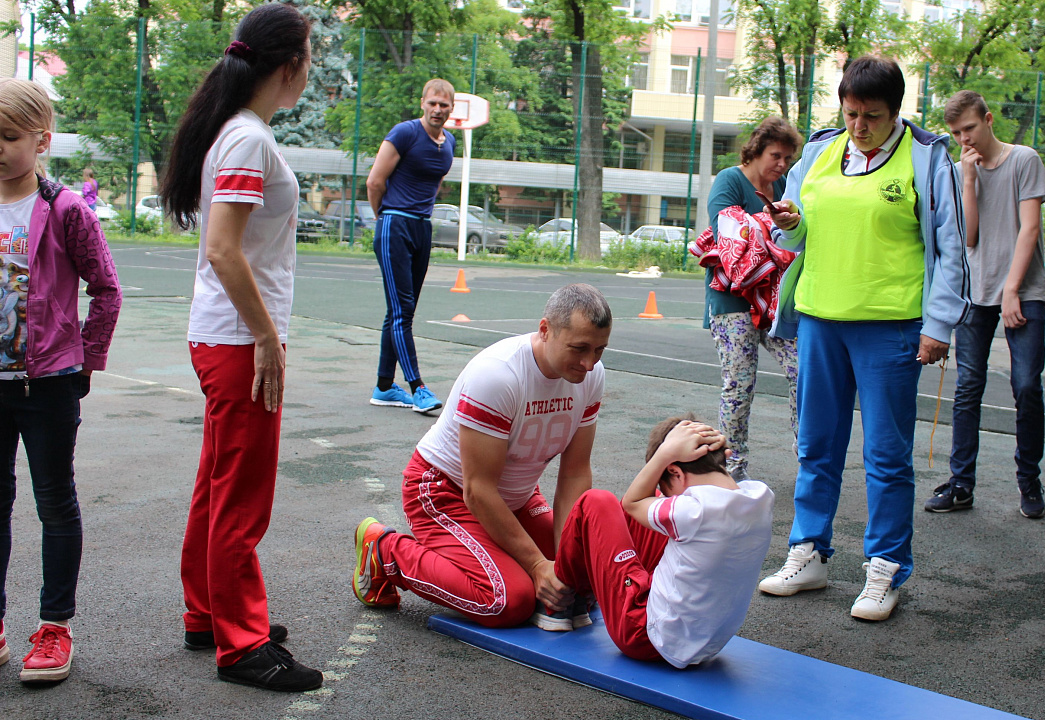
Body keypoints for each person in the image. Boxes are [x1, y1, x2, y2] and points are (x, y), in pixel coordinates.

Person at [755, 56, 969, 621]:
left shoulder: (928, 157)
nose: (859, 126)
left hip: (890, 325)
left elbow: (952, 246)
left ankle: (886, 567)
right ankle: (808, 551)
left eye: (871, 116)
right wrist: (790, 222)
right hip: (820, 318)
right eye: (851, 113)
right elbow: (796, 232)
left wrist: (938, 324)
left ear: (895, 111)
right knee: (816, 444)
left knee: (886, 456)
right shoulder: (821, 151)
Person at [158, 3, 321, 692]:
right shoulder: (247, 138)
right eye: (310, 57)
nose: (311, 69)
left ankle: (209, 614)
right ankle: (243, 644)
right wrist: (265, 338)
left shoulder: (236, 130)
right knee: (241, 497)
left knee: (218, 483)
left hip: (222, 335)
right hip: (237, 340)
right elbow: (225, 249)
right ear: (290, 65)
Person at [353, 284, 610, 629]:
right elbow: (478, 490)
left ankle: (507, 560)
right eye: (579, 349)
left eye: (599, 350)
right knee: (508, 600)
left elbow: (575, 473)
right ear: (545, 330)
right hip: (446, 493)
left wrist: (565, 565)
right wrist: (537, 566)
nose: (589, 363)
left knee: (585, 575)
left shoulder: (591, 377)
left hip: (515, 499)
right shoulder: (498, 375)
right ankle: (384, 551)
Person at [0, 79, 120, 684]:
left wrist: (85, 360)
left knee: (53, 501)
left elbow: (106, 289)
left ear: (41, 141)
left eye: (8, 137)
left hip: (47, 384)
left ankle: (54, 627)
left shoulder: (66, 209)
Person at [548, 415, 773, 668]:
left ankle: (561, 596)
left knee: (596, 502)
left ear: (675, 472)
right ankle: (588, 591)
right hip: (708, 643)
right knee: (655, 502)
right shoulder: (761, 496)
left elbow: (631, 503)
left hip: (647, 636)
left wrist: (663, 454)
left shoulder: (694, 512)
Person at [927, 90, 1045, 518]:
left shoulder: (1024, 160)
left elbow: (1030, 229)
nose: (965, 139)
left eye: (970, 128)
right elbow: (970, 237)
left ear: (988, 119)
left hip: (1023, 289)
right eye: (957, 133)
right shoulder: (962, 168)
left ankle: (1029, 480)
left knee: (1026, 385)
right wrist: (968, 180)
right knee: (968, 386)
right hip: (976, 290)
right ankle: (961, 483)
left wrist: (1012, 289)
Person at [703, 117, 802, 481]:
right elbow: (726, 231)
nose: (782, 164)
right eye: (776, 155)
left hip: (774, 302)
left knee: (804, 369)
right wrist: (774, 223)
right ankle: (732, 468)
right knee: (739, 384)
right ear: (757, 151)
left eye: (788, 159)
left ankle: (808, 455)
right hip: (733, 301)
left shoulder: (782, 187)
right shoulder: (730, 180)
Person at [365, 78, 457, 414]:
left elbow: (435, 183)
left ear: (451, 109)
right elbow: (375, 182)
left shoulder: (450, 142)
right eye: (432, 103)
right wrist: (385, 218)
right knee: (402, 311)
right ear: (423, 103)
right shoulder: (404, 132)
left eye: (444, 105)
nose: (437, 110)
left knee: (401, 311)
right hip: (395, 224)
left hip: (422, 227)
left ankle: (384, 387)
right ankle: (417, 387)